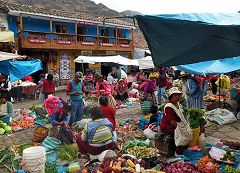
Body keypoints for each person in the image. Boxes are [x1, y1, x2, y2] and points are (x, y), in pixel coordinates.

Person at [160, 87, 188, 155]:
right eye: (175, 95)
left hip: (175, 123)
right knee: (180, 134)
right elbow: (172, 122)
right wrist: (180, 129)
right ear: (171, 97)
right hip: (167, 126)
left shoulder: (177, 103)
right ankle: (176, 151)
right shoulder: (169, 107)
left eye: (178, 95)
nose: (177, 97)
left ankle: (183, 147)